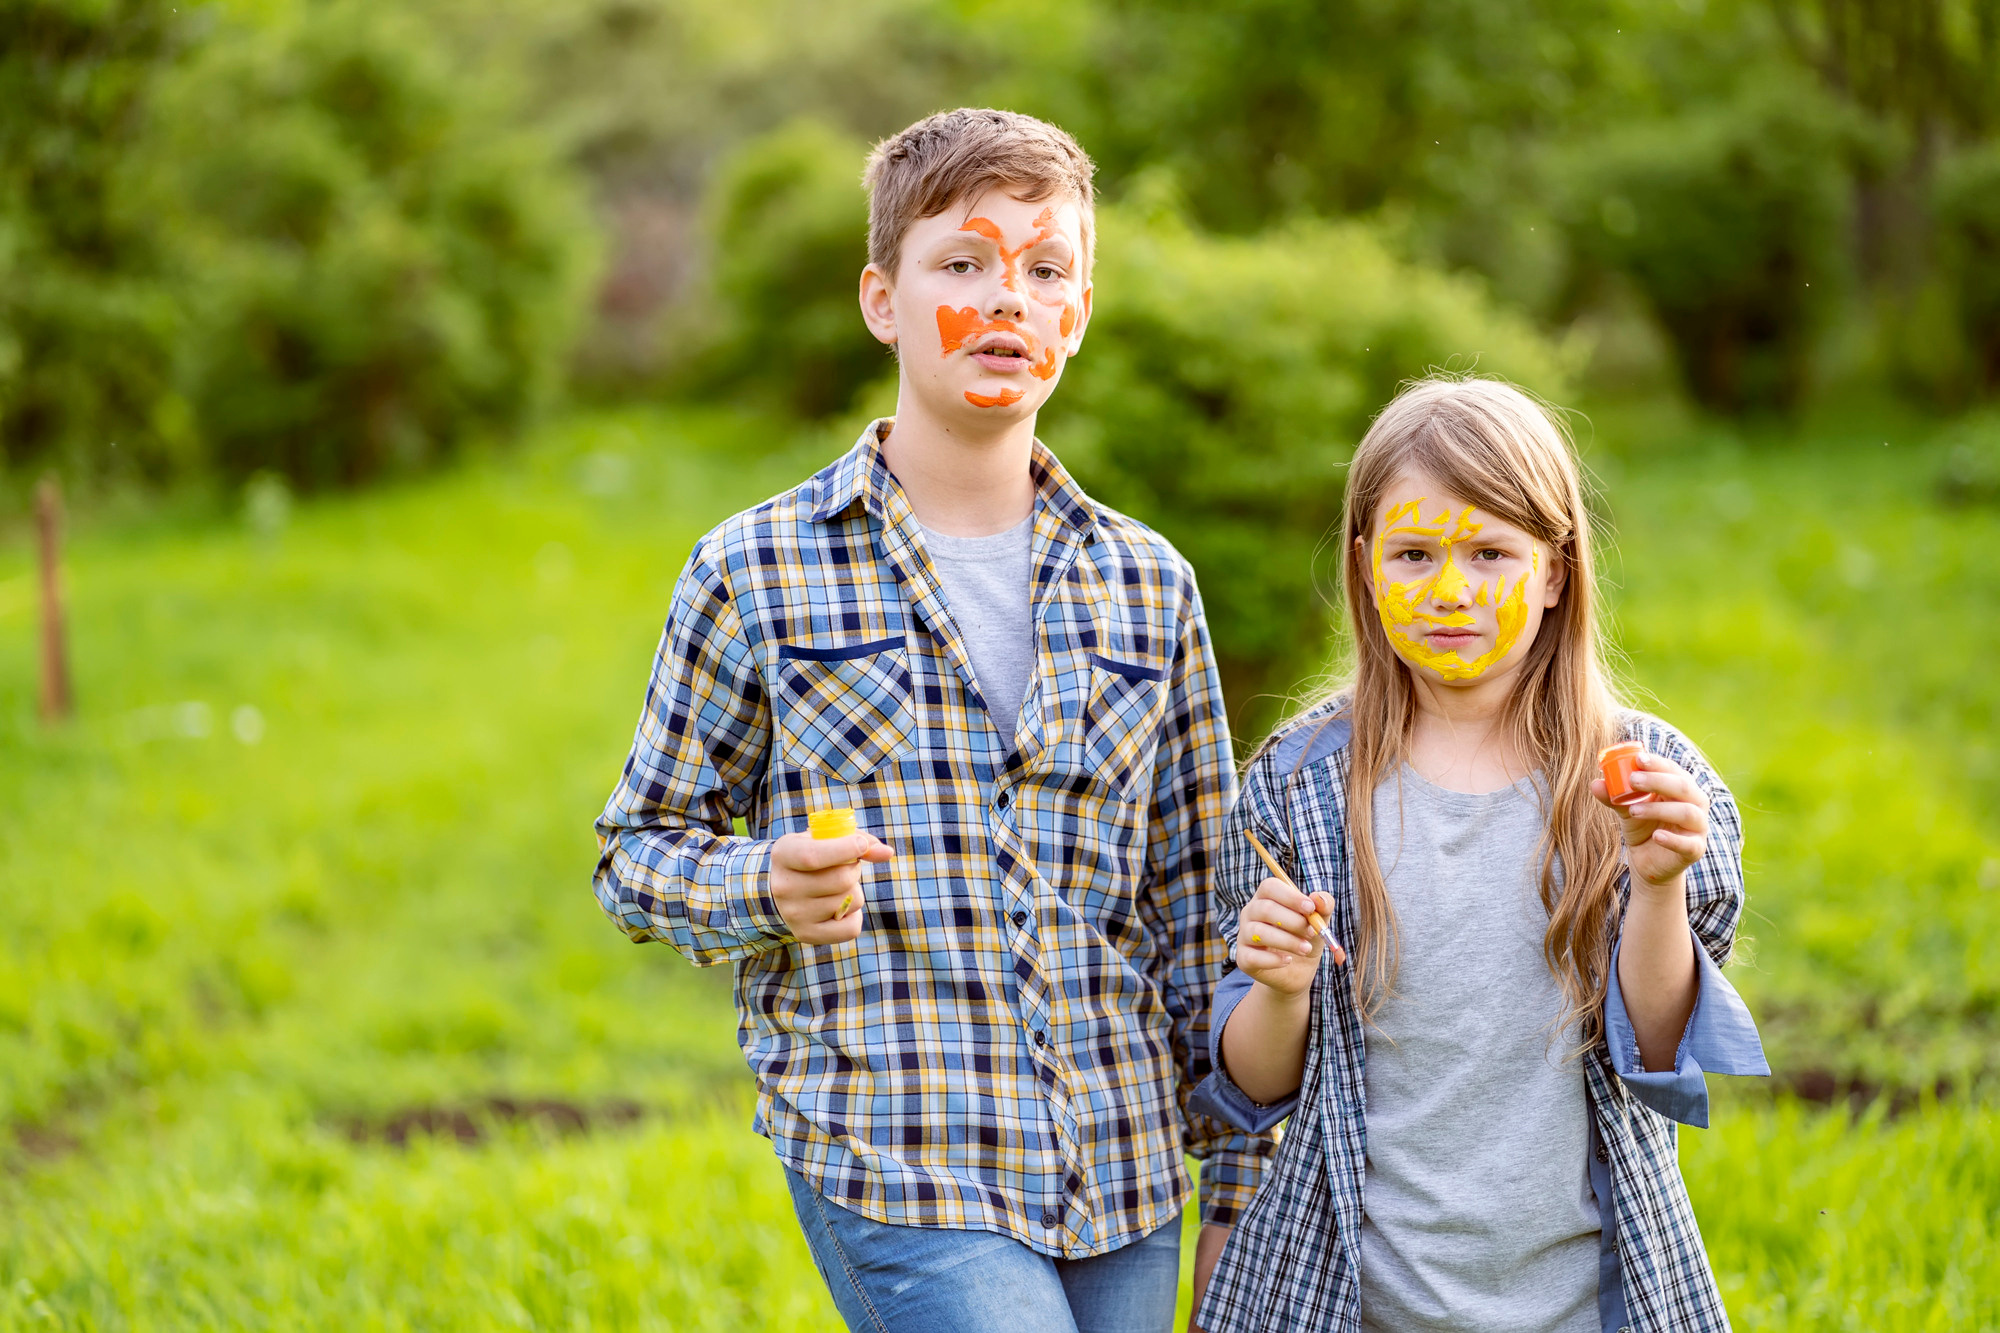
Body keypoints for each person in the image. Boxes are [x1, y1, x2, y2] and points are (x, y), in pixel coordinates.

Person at [593, 108, 1268, 1332]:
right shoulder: (757, 569)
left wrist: (1233, 1191)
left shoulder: (1147, 582)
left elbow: (1197, 911)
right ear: (880, 299)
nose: (1005, 298)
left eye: (1046, 269)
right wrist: (762, 886)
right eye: (960, 263)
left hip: (1119, 1165)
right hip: (896, 1150)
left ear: (1077, 311)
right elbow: (635, 851)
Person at [1187, 376, 1769, 1333]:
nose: (1450, 591)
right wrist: (1280, 986)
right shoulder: (1298, 787)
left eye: (1491, 552)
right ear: (1365, 566)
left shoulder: (1649, 781)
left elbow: (1658, 1053)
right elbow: (1255, 1089)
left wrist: (1657, 887)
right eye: (1415, 553)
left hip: (1588, 1299)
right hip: (1353, 1298)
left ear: (1555, 571)